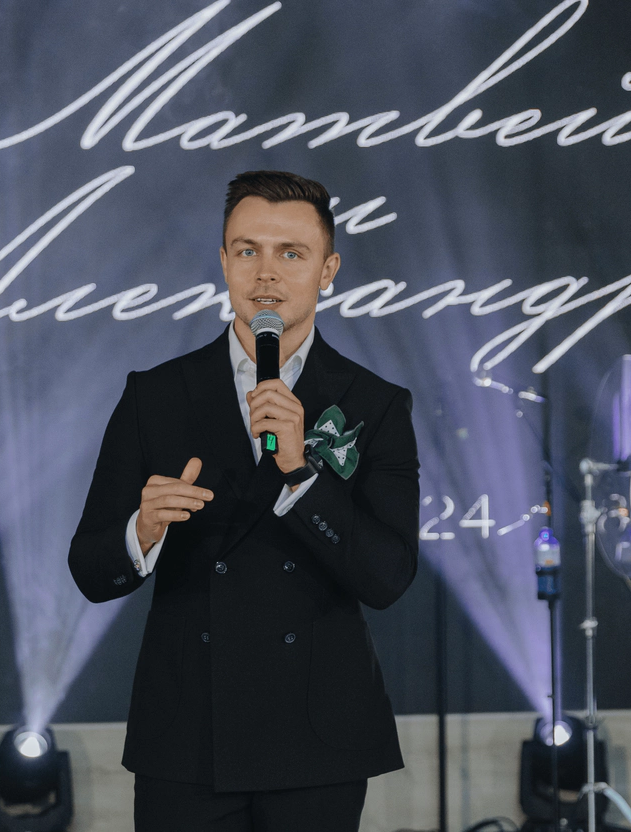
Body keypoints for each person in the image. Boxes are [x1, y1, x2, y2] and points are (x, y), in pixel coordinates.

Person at [68, 170, 420, 832]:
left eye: (292, 253)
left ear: (328, 270)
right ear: (224, 261)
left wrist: (301, 474)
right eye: (247, 249)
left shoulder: (374, 404)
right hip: (188, 733)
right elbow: (90, 568)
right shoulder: (156, 396)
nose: (267, 273)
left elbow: (388, 576)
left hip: (316, 736)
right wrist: (142, 531)